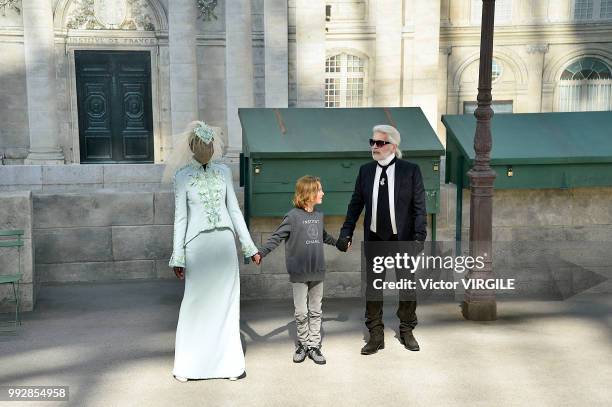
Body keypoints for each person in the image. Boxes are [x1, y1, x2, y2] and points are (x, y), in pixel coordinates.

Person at [163, 121, 261, 382]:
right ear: (191, 147)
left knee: (227, 304)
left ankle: (229, 365)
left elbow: (234, 210)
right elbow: (180, 218)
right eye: (200, 144)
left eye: (209, 143)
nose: (205, 147)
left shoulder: (224, 172)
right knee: (195, 304)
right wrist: (178, 256)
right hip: (197, 247)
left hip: (224, 245)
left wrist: (249, 246)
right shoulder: (181, 176)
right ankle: (189, 365)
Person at [336, 125, 427, 354]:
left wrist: (419, 237)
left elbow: (419, 207)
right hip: (375, 237)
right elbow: (356, 204)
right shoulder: (365, 171)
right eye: (372, 142)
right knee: (373, 287)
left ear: (393, 146)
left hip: (402, 238)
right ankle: (375, 333)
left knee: (407, 285)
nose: (374, 147)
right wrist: (346, 232)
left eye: (380, 143)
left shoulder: (410, 170)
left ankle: (406, 330)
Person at [256, 176, 338, 365]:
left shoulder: (318, 216)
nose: (323, 193)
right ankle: (302, 344)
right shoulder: (292, 217)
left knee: (316, 311)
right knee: (301, 312)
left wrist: (339, 244)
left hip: (317, 271)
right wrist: (261, 252)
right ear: (309, 193)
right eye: (319, 190)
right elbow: (276, 237)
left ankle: (314, 346)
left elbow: (324, 236)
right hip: (299, 273)